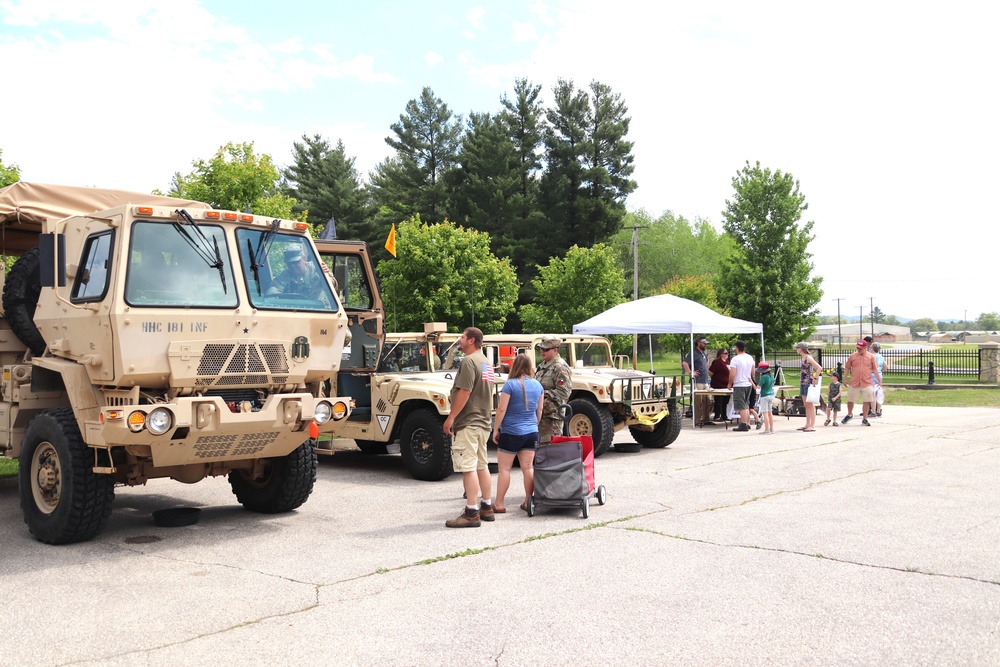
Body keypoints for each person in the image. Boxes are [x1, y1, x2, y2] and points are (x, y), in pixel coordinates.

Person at [442, 327, 496, 528]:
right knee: (482, 465)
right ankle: (487, 507)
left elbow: (465, 392)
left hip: (469, 422)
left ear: (471, 340)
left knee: (468, 467)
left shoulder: (468, 362)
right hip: (483, 422)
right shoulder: (487, 363)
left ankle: (471, 512)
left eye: (463, 337)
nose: (459, 339)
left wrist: (451, 418)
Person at [492, 353, 544, 513]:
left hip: (511, 432)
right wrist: (535, 424)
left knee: (505, 469)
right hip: (531, 432)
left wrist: (495, 429)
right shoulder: (538, 385)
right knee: (528, 468)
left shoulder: (510, 385)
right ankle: (528, 501)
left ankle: (499, 503)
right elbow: (539, 409)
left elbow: (501, 409)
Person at [535, 336, 571, 444]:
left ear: (555, 350)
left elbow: (564, 393)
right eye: (541, 349)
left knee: (549, 452)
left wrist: (543, 395)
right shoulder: (542, 366)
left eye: (546, 349)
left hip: (552, 418)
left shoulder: (560, 367)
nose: (542, 351)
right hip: (540, 416)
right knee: (539, 452)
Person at [842, 340, 880, 426]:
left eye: (860, 348)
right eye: (857, 348)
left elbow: (875, 369)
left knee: (866, 401)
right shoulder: (852, 356)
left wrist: (879, 381)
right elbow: (847, 368)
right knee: (850, 400)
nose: (859, 350)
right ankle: (849, 414)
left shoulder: (871, 357)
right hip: (854, 382)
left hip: (866, 382)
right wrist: (844, 378)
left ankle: (865, 419)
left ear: (865, 348)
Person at [795, 342, 823, 432]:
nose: (796, 349)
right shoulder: (802, 357)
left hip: (808, 382)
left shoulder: (808, 358)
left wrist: (815, 377)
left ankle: (812, 425)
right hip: (803, 382)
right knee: (806, 404)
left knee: (810, 404)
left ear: (801, 348)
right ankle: (807, 424)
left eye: (797, 348)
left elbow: (819, 368)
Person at [727, 340, 755, 432]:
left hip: (739, 384)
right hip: (748, 383)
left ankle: (743, 424)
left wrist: (730, 383)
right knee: (746, 404)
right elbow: (753, 372)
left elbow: (732, 373)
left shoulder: (735, 359)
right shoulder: (750, 357)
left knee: (741, 405)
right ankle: (747, 423)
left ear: (737, 348)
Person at [683, 337, 711, 425]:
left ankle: (706, 418)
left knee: (707, 400)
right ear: (698, 343)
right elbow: (685, 363)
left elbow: (707, 361)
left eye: (706, 343)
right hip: (698, 381)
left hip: (705, 380)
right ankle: (698, 420)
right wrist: (691, 372)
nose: (705, 345)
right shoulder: (693, 353)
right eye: (703, 343)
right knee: (698, 400)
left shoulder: (703, 354)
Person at [708, 348, 731, 421]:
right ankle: (717, 415)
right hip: (718, 385)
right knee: (718, 400)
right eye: (726, 353)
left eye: (727, 353)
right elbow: (710, 372)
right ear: (721, 354)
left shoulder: (727, 362)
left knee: (725, 401)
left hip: (726, 385)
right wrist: (716, 378)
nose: (727, 354)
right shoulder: (717, 362)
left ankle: (724, 415)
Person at [755, 361, 775, 434]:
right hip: (770, 395)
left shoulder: (764, 377)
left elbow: (759, 387)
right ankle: (771, 428)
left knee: (765, 413)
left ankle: (767, 429)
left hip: (764, 396)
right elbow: (773, 383)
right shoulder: (771, 376)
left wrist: (753, 383)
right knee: (770, 413)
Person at [870, 342, 888, 417]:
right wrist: (881, 371)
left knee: (873, 394)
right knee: (879, 392)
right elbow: (886, 367)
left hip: (872, 375)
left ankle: (873, 411)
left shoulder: (871, 356)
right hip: (880, 375)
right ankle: (878, 410)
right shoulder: (881, 357)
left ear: (873, 349)